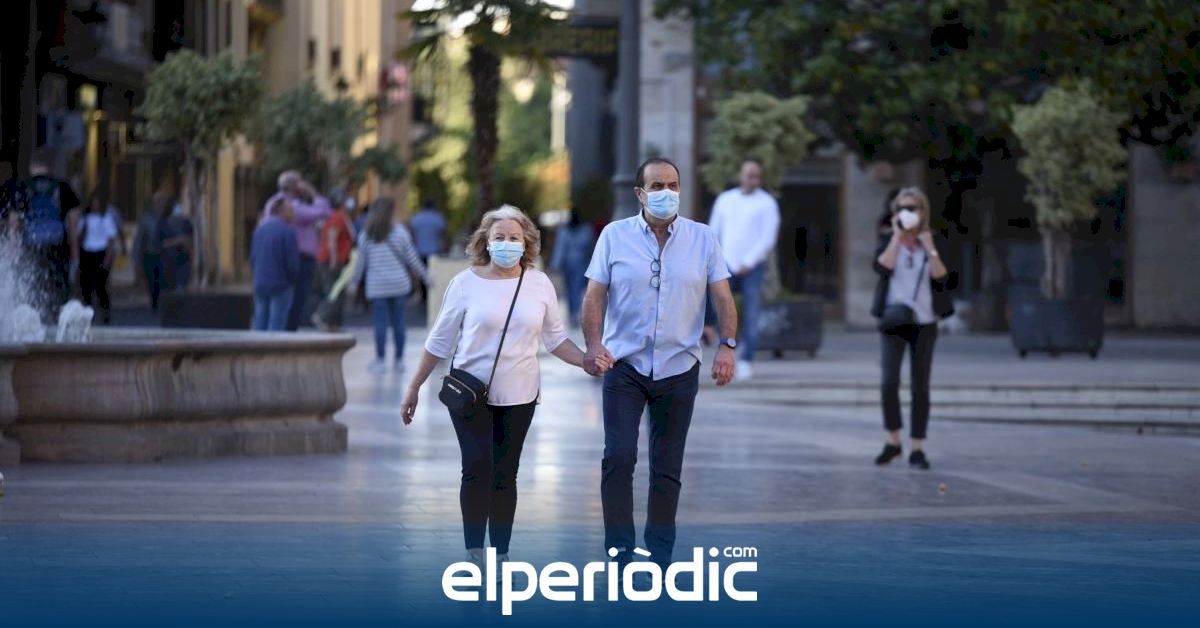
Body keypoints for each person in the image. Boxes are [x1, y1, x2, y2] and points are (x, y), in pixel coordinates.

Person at [400, 204, 606, 570]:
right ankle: (473, 550)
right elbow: (439, 341)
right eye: (500, 237)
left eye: (514, 237)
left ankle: (500, 550)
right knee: (477, 465)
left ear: (526, 242)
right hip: (469, 393)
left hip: (520, 395)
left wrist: (586, 360)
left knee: (505, 473)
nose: (507, 243)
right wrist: (414, 387)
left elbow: (556, 340)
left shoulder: (539, 284)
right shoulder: (464, 284)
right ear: (486, 241)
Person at [581, 157, 738, 576]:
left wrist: (727, 346)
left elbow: (723, 297)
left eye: (673, 185)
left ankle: (659, 556)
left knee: (667, 468)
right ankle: (619, 552)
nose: (666, 193)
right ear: (640, 193)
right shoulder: (614, 236)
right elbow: (594, 296)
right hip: (624, 365)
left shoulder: (703, 238)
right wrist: (593, 346)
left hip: (679, 366)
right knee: (618, 458)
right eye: (656, 186)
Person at [871, 186, 954, 470]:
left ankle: (917, 447)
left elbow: (942, 276)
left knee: (920, 386)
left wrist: (929, 245)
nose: (906, 213)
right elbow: (882, 268)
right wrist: (897, 237)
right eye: (902, 208)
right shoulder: (888, 239)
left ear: (923, 212)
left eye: (912, 208)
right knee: (888, 383)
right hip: (893, 321)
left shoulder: (932, 241)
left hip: (924, 322)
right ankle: (893, 441)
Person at [706, 158, 781, 381]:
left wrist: (749, 262)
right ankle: (727, 349)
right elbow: (714, 231)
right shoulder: (725, 199)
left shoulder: (767, 203)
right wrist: (719, 259)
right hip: (725, 265)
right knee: (720, 308)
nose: (753, 180)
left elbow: (767, 238)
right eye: (749, 175)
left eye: (756, 176)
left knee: (752, 312)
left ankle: (747, 359)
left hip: (753, 268)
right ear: (741, 176)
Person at [350, 197, 430, 373]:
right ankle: (399, 360)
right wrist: (426, 277)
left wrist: (354, 283)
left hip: (377, 286)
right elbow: (412, 259)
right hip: (399, 285)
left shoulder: (366, 235)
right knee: (399, 323)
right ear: (391, 212)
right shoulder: (400, 233)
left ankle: (380, 361)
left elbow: (360, 263)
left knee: (380, 324)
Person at [262, 170, 332, 331]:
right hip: (300, 257)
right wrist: (312, 192)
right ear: (295, 186)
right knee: (295, 302)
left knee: (276, 305)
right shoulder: (291, 206)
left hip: (279, 257)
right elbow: (325, 212)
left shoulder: (272, 202)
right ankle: (288, 334)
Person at [22, 152, 82, 319]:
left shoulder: (23, 187)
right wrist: (75, 253)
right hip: (58, 246)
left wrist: (15, 250)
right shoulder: (62, 186)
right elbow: (73, 222)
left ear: (32, 165)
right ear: (51, 166)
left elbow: (14, 221)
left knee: (32, 285)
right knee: (60, 286)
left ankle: (35, 318)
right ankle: (59, 319)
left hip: (32, 246)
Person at [250, 196, 300, 331]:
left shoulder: (259, 230)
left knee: (260, 320)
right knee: (276, 323)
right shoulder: (287, 232)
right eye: (290, 210)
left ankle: (257, 344)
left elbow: (253, 257)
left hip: (260, 282)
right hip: (281, 284)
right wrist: (292, 279)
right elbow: (292, 262)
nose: (293, 214)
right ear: (282, 212)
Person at [312, 189, 357, 331]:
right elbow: (332, 238)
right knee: (334, 291)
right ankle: (322, 316)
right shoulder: (337, 217)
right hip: (331, 260)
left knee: (338, 291)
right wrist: (333, 259)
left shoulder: (341, 217)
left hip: (338, 259)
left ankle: (333, 323)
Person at [76, 187, 119, 324]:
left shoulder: (106, 218)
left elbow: (111, 239)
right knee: (86, 286)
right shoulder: (86, 218)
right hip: (87, 252)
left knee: (101, 286)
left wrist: (108, 258)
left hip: (100, 252)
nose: (96, 205)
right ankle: (87, 313)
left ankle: (105, 312)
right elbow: (79, 236)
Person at [550, 208, 595, 327]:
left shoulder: (569, 231)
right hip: (575, 266)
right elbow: (590, 249)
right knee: (573, 290)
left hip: (575, 265)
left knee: (573, 290)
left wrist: (555, 264)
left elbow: (560, 249)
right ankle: (573, 314)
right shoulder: (583, 230)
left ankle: (574, 314)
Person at [132, 188, 169, 311]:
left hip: (164, 255)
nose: (161, 205)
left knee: (163, 282)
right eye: (158, 202)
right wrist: (136, 260)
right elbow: (139, 241)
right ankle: (155, 304)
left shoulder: (167, 218)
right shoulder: (146, 219)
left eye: (162, 202)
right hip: (150, 255)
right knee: (153, 282)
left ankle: (163, 304)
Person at [407, 199, 447, 302]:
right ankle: (432, 297)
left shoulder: (416, 218)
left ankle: (423, 297)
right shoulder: (437, 217)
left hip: (420, 251)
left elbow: (411, 234)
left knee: (422, 274)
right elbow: (442, 234)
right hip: (434, 250)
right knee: (433, 274)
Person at [158, 200, 194, 292]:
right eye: (176, 208)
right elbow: (160, 243)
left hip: (183, 262)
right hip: (167, 262)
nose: (179, 210)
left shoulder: (186, 223)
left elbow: (190, 242)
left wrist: (186, 243)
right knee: (168, 289)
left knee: (181, 288)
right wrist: (178, 240)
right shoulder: (163, 224)